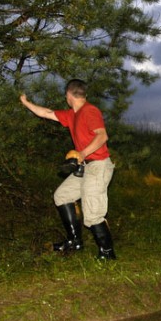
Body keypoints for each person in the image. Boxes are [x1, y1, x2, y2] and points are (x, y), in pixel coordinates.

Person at [20, 79, 116, 259]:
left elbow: (102, 136)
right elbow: (46, 113)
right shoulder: (72, 114)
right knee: (62, 196)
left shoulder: (90, 111)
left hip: (98, 166)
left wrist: (82, 153)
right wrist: (26, 103)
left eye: (66, 95)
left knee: (93, 214)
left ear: (69, 95)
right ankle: (75, 241)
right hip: (85, 167)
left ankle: (107, 253)